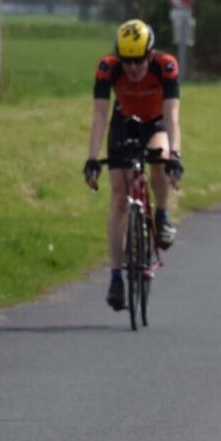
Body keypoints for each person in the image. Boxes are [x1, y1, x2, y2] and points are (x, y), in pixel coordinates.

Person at [83, 19, 184, 311]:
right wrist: (92, 158)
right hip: (124, 125)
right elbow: (100, 115)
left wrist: (175, 155)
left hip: (155, 123)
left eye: (139, 61)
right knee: (118, 198)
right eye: (127, 61)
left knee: (159, 158)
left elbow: (172, 114)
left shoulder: (165, 66)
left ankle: (162, 215)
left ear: (149, 55)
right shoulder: (107, 68)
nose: (133, 68)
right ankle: (115, 277)